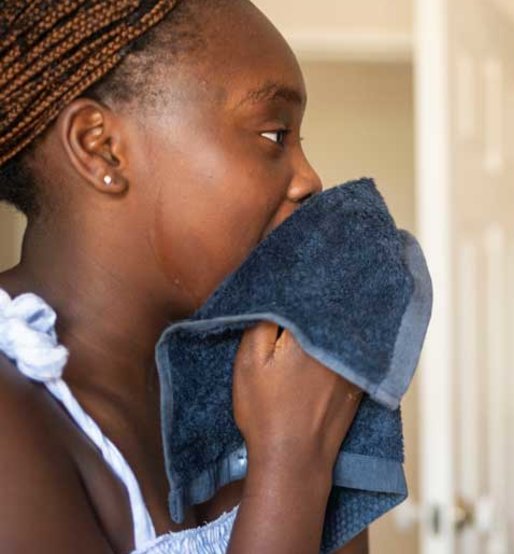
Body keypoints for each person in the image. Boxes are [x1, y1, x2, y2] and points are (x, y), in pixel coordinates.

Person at [0, 1, 369, 551]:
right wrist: (292, 460)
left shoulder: (267, 377)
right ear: (101, 147)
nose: (309, 180)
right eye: (273, 135)